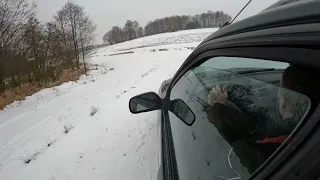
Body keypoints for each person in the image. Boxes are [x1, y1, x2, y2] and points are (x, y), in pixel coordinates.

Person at [205, 64, 320, 174]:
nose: (282, 105)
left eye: (294, 101)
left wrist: (224, 108)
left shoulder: (289, 137)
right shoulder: (305, 127)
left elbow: (256, 128)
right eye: (281, 97)